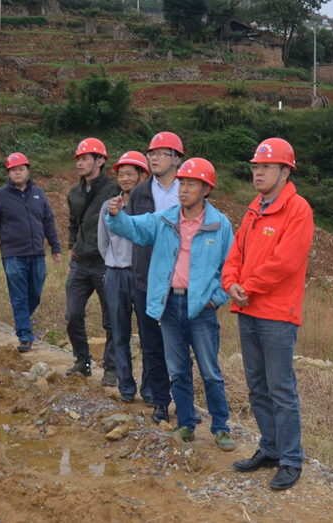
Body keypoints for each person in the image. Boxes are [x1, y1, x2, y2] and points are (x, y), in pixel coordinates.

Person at [107, 157, 236, 452]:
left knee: (210, 371)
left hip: (201, 309)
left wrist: (216, 298)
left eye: (191, 184)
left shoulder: (219, 224)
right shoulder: (165, 220)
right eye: (182, 183)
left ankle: (221, 427)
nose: (184, 189)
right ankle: (187, 423)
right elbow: (133, 228)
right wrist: (116, 216)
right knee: (177, 370)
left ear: (206, 189)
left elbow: (231, 266)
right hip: (169, 305)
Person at [222, 138, 314, 491]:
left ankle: (291, 459)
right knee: (257, 386)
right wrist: (231, 282)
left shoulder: (298, 210)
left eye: (266, 167)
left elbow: (286, 262)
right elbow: (235, 253)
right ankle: (271, 448)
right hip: (248, 308)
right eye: (255, 167)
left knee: (280, 388)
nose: (258, 172)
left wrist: (247, 285)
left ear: (285, 171)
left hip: (276, 315)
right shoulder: (254, 210)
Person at [127, 131, 184, 422]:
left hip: (180, 280)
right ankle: (161, 401)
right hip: (146, 278)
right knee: (151, 344)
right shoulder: (139, 193)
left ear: (177, 158)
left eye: (161, 153)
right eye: (152, 153)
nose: (154, 158)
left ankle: (185, 404)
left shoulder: (189, 189)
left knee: (181, 346)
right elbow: (133, 231)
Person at [0, 152, 62, 353]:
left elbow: (48, 221)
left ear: (28, 171)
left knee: (35, 294)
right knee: (19, 295)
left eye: (21, 169)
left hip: (37, 253)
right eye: (13, 170)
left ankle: (21, 320)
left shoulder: (39, 194)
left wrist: (55, 247)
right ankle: (25, 336)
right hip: (13, 255)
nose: (17, 173)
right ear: (8, 173)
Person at [64, 138, 120, 382]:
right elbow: (73, 224)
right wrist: (70, 248)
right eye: (78, 159)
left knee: (111, 318)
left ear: (100, 161)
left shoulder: (114, 190)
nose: (80, 163)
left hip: (104, 264)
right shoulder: (74, 193)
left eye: (85, 158)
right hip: (80, 262)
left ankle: (111, 368)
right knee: (73, 314)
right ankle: (82, 360)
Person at [97, 151, 149, 401]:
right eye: (121, 174)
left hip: (143, 276)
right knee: (119, 334)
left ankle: (150, 390)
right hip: (116, 276)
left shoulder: (149, 208)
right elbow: (103, 243)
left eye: (130, 173)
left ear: (143, 176)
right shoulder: (109, 206)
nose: (125, 178)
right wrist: (115, 263)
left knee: (149, 336)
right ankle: (126, 388)